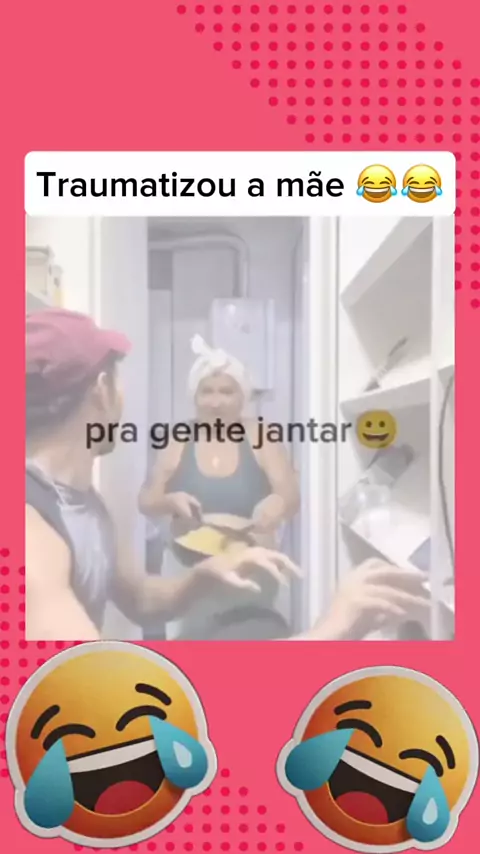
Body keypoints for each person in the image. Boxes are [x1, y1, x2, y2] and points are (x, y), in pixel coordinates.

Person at [25, 309, 429, 641]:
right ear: (102, 391)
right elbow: (93, 687)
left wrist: (203, 577)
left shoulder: (84, 503)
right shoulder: (28, 530)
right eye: (208, 391)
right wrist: (330, 632)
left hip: (238, 574)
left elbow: (142, 598)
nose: (216, 401)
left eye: (227, 391)